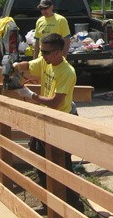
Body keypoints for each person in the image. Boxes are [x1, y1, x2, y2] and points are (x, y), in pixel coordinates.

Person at [12, 33, 80, 208]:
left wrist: (30, 95)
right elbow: (29, 65)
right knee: (40, 159)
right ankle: (48, 202)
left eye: (46, 52)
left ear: (58, 53)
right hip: (46, 118)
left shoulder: (66, 72)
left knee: (61, 165)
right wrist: (15, 66)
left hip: (60, 122)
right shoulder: (45, 61)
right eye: (41, 50)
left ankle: (71, 204)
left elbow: (56, 103)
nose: (42, 54)